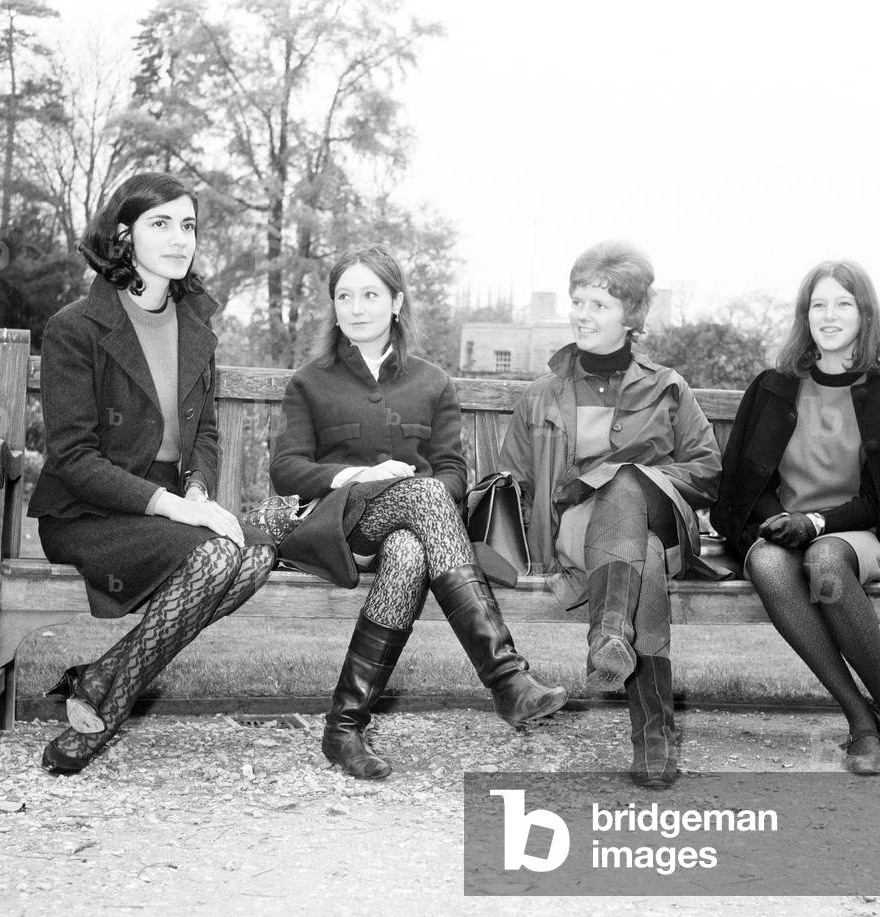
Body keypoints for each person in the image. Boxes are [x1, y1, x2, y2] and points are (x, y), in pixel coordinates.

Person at [266, 243, 567, 780]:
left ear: (396, 302)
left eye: (370, 295)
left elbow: (452, 472)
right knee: (425, 496)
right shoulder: (310, 381)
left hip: (405, 533)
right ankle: (506, 679)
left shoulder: (432, 383)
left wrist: (415, 488)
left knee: (408, 551)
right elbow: (286, 470)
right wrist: (360, 478)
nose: (356, 308)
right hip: (334, 527)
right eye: (344, 296)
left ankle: (344, 728)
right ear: (333, 307)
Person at [29, 172, 276, 775]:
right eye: (159, 223)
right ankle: (108, 712)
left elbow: (207, 433)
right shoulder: (76, 328)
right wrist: (175, 507)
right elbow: (73, 458)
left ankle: (106, 674)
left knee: (257, 555)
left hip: (169, 506)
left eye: (187, 225)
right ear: (123, 235)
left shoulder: (195, 324)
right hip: (89, 513)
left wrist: (195, 488)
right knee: (220, 556)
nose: (178, 238)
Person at [712, 259, 880, 784]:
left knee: (826, 560)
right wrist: (781, 523)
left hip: (861, 535)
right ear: (805, 315)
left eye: (844, 304)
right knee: (769, 565)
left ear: (864, 315)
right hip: (784, 532)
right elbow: (745, 486)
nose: (830, 315)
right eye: (819, 304)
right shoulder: (773, 387)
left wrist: (816, 524)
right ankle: (862, 721)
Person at [497, 240, 726, 787]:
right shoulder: (542, 395)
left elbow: (708, 469)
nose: (582, 313)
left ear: (632, 315)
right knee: (635, 544)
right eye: (578, 301)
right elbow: (509, 481)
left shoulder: (668, 387)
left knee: (627, 485)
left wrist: (642, 479)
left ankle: (608, 634)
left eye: (599, 304)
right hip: (575, 537)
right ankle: (653, 736)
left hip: (659, 525)